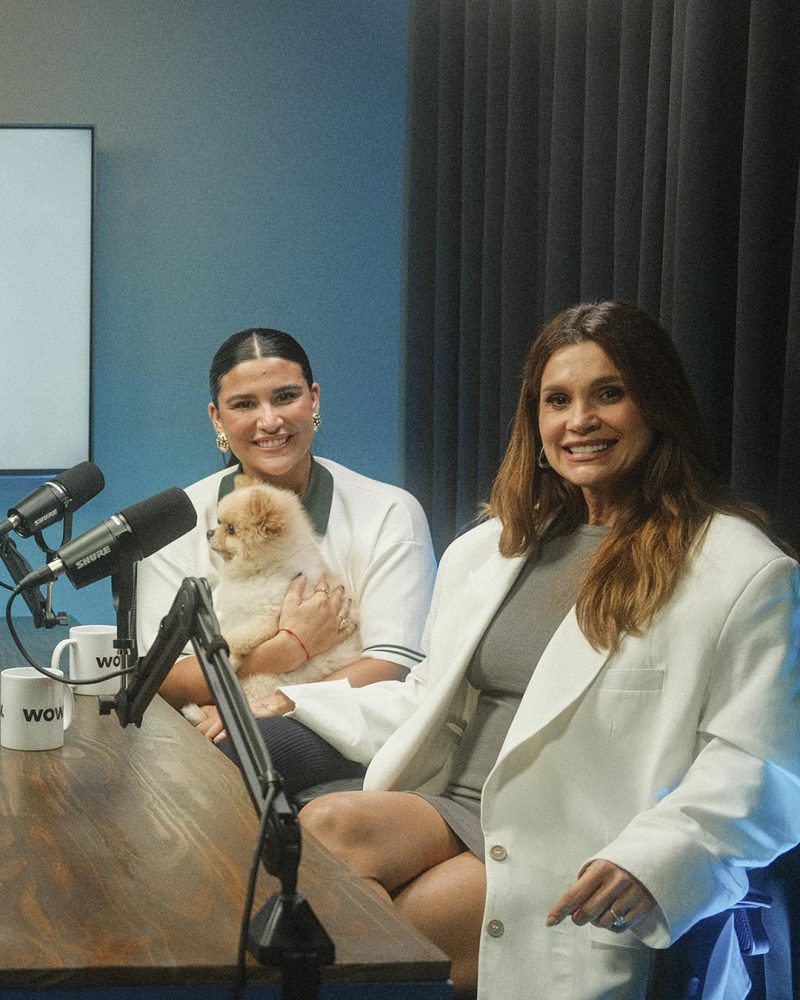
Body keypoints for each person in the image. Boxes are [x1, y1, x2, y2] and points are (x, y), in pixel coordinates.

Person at [273, 301, 800, 999]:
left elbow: (761, 765)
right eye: (558, 400)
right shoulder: (492, 549)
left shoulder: (739, 569)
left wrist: (660, 858)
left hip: (574, 840)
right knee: (326, 826)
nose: (579, 420)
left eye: (608, 393)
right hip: (455, 805)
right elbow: (428, 697)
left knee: (388, 935)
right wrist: (296, 703)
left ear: (657, 406)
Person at [135, 327, 436, 796]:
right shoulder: (176, 523)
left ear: (313, 399)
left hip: (347, 724)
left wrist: (275, 702)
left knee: (230, 759)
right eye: (244, 404)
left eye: (285, 397)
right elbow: (166, 679)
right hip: (213, 720)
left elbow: (390, 666)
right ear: (217, 418)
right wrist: (285, 650)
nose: (270, 420)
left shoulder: (390, 513)